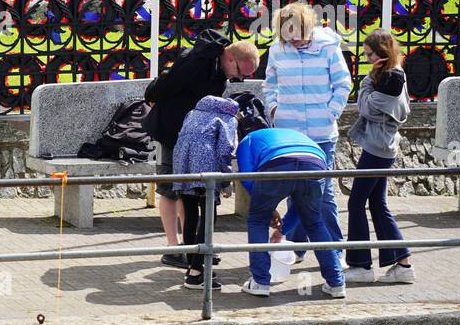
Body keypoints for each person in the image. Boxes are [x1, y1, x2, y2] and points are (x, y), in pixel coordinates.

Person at [142, 30, 260, 268]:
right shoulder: (196, 62)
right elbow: (164, 84)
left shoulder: (220, 70)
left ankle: (195, 245)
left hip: (196, 134)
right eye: (238, 73)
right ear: (229, 58)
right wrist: (152, 97)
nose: (236, 79)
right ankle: (173, 248)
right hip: (171, 128)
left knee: (192, 190)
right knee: (169, 187)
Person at [264, 2, 351, 256]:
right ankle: (296, 247)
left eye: (298, 36)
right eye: (288, 37)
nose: (294, 42)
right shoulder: (277, 50)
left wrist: (329, 113)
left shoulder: (328, 47)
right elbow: (270, 86)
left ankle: (334, 250)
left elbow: (343, 84)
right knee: (295, 191)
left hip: (321, 133)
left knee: (323, 196)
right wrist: (274, 111)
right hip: (290, 132)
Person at [236, 127, 345, 298]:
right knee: (314, 222)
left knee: (258, 220)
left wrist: (267, 209)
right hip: (314, 162)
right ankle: (336, 283)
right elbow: (300, 206)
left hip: (276, 163)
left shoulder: (247, 140)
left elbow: (247, 178)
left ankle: (260, 283)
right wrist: (281, 231)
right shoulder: (295, 135)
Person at [343, 30, 415, 284]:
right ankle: (402, 264)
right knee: (376, 203)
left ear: (382, 53)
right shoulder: (392, 75)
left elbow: (364, 106)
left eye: (370, 54)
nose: (367, 59)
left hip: (378, 148)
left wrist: (366, 84)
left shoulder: (391, 79)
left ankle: (361, 265)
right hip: (382, 146)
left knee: (355, 202)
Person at [169, 95, 239, 291]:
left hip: (182, 164)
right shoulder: (226, 118)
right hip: (205, 166)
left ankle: (192, 265)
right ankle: (196, 273)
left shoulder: (193, 113)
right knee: (209, 216)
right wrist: (226, 181)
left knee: (190, 215)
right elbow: (225, 149)